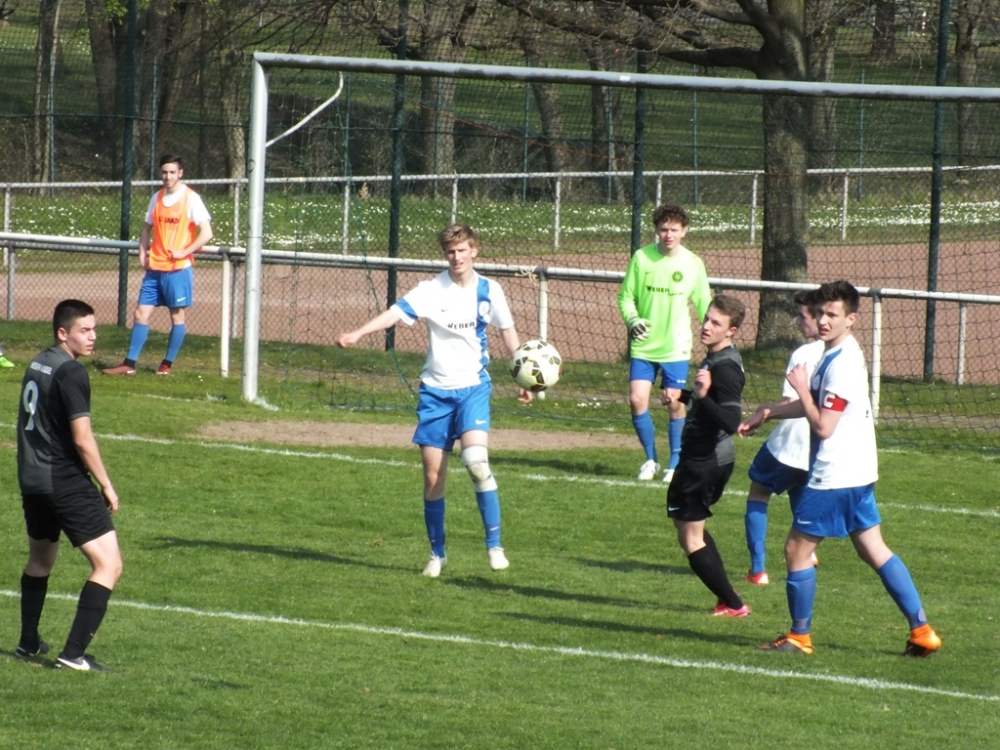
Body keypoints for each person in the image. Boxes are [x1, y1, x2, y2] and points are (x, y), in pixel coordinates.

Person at [739, 280, 941, 657]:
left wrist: (800, 388)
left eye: (832, 314)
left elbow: (823, 426)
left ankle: (799, 637)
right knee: (873, 549)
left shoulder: (842, 364)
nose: (823, 320)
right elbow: (816, 407)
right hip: (858, 472)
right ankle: (922, 631)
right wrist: (768, 412)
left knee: (796, 550)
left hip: (834, 475)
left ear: (851, 319)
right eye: (820, 313)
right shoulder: (837, 353)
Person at [336, 223, 533, 577]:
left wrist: (523, 374)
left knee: (476, 462)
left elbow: (507, 331)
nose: (456, 257)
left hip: (473, 387)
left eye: (462, 250)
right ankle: (437, 554)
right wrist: (359, 333)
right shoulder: (430, 290)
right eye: (450, 252)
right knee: (432, 477)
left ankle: (495, 546)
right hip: (435, 393)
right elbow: (395, 313)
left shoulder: (490, 290)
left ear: (474, 251)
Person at [16, 299, 123, 671]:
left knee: (40, 560)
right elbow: (83, 438)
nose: (93, 337)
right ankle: (73, 654)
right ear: (63, 333)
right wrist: (106, 484)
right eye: (84, 330)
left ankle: (28, 642)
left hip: (32, 479)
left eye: (94, 329)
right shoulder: (71, 372)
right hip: (63, 480)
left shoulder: (37, 363)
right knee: (109, 565)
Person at [665, 294, 749, 617]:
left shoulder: (725, 368)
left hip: (704, 461)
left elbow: (730, 421)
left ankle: (734, 603)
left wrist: (700, 397)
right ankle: (726, 594)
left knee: (690, 539)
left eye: (716, 323)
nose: (706, 326)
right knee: (686, 526)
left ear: (731, 331)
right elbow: (708, 403)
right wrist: (685, 396)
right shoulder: (716, 357)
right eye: (707, 319)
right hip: (704, 459)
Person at [617, 203, 712, 483]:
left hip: (676, 347)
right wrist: (633, 320)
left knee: (675, 402)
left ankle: (675, 463)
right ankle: (650, 460)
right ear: (656, 231)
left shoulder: (693, 263)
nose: (668, 235)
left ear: (684, 231)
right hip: (644, 347)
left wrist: (714, 339)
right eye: (663, 229)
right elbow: (625, 297)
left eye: (674, 230)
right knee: (637, 400)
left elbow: (705, 304)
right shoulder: (641, 258)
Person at [742, 289, 825, 585]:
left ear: (818, 318)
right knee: (798, 491)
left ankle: (758, 570)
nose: (798, 322)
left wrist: (764, 412)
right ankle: (808, 554)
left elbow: (793, 402)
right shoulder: (842, 352)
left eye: (802, 316)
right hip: (818, 447)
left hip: (789, 443)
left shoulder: (803, 354)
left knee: (758, 493)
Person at [103, 153, 213, 376]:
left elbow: (207, 233)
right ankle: (129, 364)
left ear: (180, 173)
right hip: (155, 269)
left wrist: (184, 251)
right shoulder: (157, 197)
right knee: (140, 314)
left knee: (176, 317)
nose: (168, 176)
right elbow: (146, 229)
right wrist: (142, 254)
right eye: (164, 172)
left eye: (172, 172)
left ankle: (166, 364)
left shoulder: (191, 198)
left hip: (177, 270)